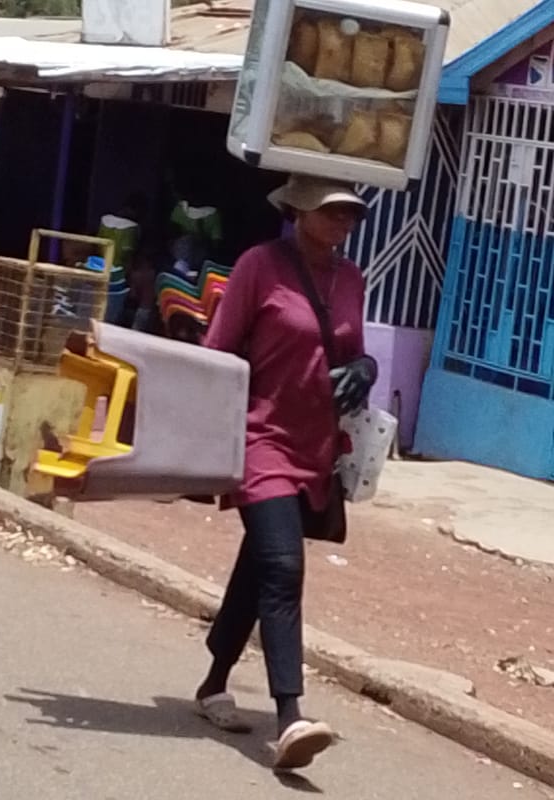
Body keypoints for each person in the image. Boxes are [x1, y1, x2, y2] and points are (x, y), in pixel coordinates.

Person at [196, 175, 368, 771]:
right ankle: (290, 715)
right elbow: (218, 353)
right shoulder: (259, 266)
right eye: (332, 211)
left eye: (351, 214)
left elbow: (351, 350)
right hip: (260, 440)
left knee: (260, 566)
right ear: (298, 210)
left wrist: (366, 367)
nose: (344, 222)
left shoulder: (351, 278)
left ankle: (213, 684)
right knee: (283, 565)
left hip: (316, 449)